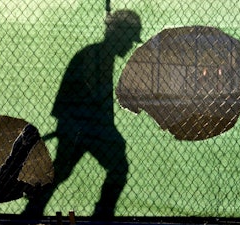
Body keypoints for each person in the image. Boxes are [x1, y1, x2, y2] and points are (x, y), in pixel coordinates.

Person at [23, 9, 142, 219]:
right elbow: (93, 100)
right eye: (129, 39)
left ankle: (32, 212)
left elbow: (96, 103)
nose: (130, 45)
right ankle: (102, 215)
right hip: (81, 126)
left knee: (62, 170)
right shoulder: (94, 57)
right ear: (118, 35)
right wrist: (106, 134)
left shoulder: (100, 56)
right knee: (114, 167)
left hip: (81, 126)